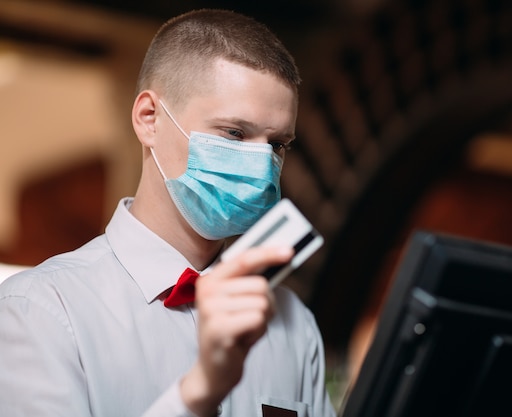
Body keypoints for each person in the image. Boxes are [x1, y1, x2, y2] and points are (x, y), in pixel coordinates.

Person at [0, 8, 336, 417]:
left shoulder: (295, 325)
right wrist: (198, 393)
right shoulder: (43, 310)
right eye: (234, 133)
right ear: (149, 119)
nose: (261, 164)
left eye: (277, 144)